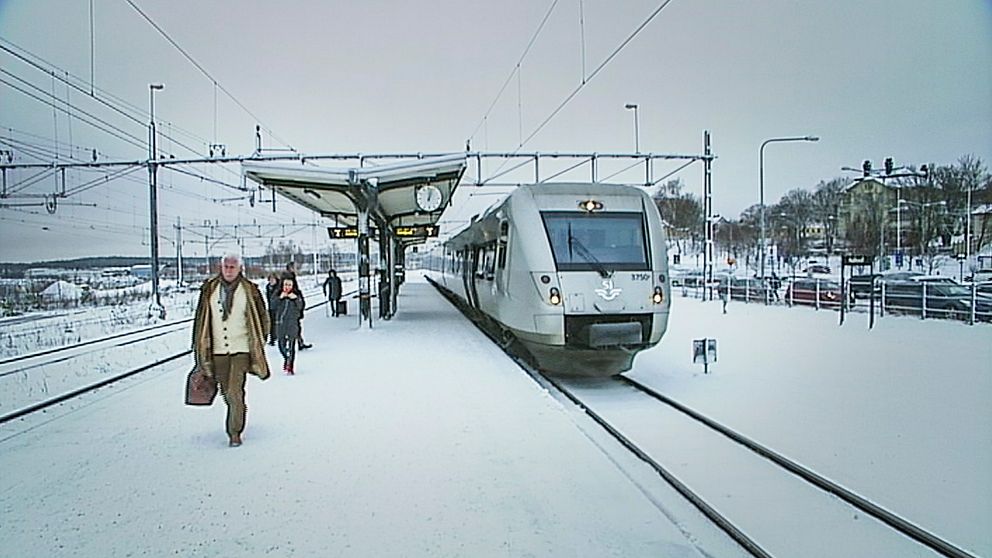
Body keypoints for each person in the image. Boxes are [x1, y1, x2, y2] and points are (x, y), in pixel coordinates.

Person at [192, 254, 270, 447]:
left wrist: (260, 341)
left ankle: (234, 432)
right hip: (217, 351)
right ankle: (238, 411)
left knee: (235, 391)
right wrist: (199, 346)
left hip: (241, 349)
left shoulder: (250, 290)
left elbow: (263, 316)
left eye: (232, 267)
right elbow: (200, 320)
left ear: (240, 269)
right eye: (226, 266)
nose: (228, 270)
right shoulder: (209, 289)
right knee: (226, 393)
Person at [273, 273, 304, 375]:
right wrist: (279, 298)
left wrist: (295, 299)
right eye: (285, 285)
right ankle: (286, 358)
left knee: (291, 346)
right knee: (281, 345)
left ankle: (290, 366)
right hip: (280, 323)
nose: (287, 287)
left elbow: (301, 306)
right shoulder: (277, 294)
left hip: (293, 324)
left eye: (289, 285)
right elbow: (272, 305)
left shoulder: (297, 294)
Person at [284, 261, 313, 350]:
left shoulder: (290, 277)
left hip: (294, 305)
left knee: (296, 326)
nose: (296, 269)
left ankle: (299, 343)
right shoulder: (289, 278)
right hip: (292, 305)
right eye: (295, 267)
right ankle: (292, 344)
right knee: (294, 326)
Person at [265, 273, 280, 345]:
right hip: (271, 307)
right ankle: (272, 339)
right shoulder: (268, 287)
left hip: (278, 307)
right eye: (270, 279)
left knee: (279, 323)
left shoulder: (279, 287)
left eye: (273, 279)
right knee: (271, 324)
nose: (271, 281)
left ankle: (279, 337)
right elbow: (268, 297)